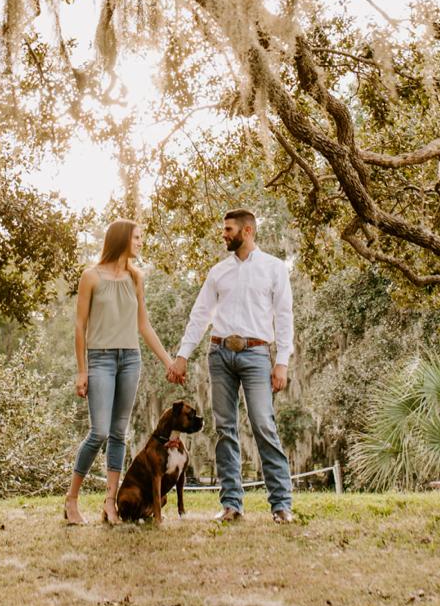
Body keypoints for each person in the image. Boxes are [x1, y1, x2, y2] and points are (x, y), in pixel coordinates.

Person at [167, 208, 296, 524]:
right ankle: (231, 505)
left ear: (247, 230)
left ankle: (281, 505)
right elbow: (199, 316)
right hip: (219, 354)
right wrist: (183, 355)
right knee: (225, 429)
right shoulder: (218, 272)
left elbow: (284, 316)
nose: (223, 235)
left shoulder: (273, 268)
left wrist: (281, 362)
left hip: (255, 354)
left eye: (228, 229)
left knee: (263, 424)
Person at [64, 218, 177, 526]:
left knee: (119, 433)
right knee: (99, 431)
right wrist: (81, 371)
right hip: (99, 359)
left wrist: (168, 361)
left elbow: (143, 325)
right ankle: (71, 499)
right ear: (122, 239)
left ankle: (110, 503)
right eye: (137, 237)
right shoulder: (91, 276)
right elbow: (79, 326)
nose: (140, 243)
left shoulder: (135, 278)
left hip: (130, 359)